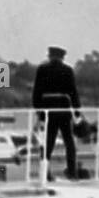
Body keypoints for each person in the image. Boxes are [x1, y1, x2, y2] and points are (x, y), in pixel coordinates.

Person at [33, 45, 81, 179]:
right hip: (64, 111)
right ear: (62, 57)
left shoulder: (42, 70)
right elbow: (73, 93)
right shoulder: (67, 70)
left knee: (48, 143)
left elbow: (36, 93)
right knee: (69, 142)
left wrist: (39, 112)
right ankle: (72, 172)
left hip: (48, 111)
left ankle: (45, 173)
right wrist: (77, 112)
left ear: (50, 56)